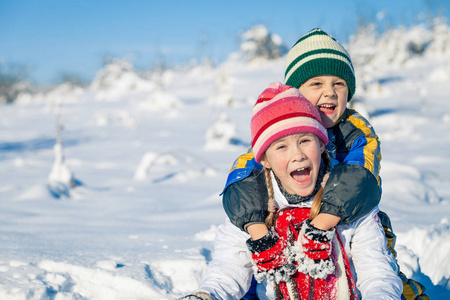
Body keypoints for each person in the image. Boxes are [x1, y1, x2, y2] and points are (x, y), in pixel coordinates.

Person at [222, 28, 429, 300]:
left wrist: (321, 224)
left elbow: (360, 180)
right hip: (289, 229)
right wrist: (257, 230)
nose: (329, 93)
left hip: (345, 223)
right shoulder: (278, 131)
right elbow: (240, 183)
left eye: (339, 84)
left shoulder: (356, 131)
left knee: (377, 265)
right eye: (317, 84)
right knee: (253, 263)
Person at [181, 83, 403, 299]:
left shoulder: (350, 200)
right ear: (265, 160)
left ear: (322, 144)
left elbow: (377, 273)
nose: (298, 155)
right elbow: (226, 273)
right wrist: (207, 295)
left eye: (305, 140)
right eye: (282, 146)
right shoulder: (255, 207)